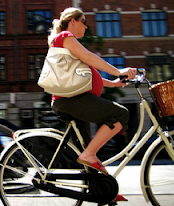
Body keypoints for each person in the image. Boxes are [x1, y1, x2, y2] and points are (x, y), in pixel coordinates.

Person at [49, 8, 137, 176]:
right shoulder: (65, 37)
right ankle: (89, 157)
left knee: (86, 152)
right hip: (71, 100)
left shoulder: (69, 44)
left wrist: (113, 83)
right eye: (84, 21)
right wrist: (118, 71)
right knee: (121, 114)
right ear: (73, 21)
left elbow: (86, 77)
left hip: (72, 100)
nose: (86, 26)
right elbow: (89, 57)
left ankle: (102, 189)